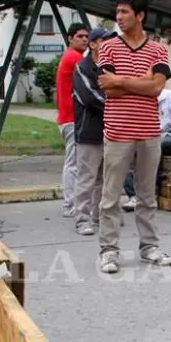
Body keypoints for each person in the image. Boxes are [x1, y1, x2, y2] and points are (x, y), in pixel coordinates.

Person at [95, 0, 171, 273]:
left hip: (149, 132)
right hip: (117, 131)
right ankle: (109, 250)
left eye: (124, 12)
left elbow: (156, 88)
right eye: (117, 12)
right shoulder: (107, 48)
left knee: (146, 194)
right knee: (111, 195)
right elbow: (108, 87)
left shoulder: (158, 50)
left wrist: (121, 80)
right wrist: (139, 80)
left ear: (140, 15)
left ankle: (149, 247)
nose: (118, 17)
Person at [71, 27, 118, 236]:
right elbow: (91, 98)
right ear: (93, 44)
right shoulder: (83, 67)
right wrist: (118, 106)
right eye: (104, 40)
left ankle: (101, 216)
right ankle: (82, 219)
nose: (109, 44)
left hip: (110, 132)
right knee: (86, 178)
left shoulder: (112, 67)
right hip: (89, 132)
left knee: (105, 178)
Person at [122, 88, 171, 211]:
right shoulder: (139, 100)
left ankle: (149, 193)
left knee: (152, 147)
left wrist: (170, 132)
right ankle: (133, 195)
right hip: (148, 135)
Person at [55, 23, 90, 217]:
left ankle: (72, 203)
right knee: (74, 163)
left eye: (87, 37)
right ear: (70, 38)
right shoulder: (75, 58)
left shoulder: (68, 57)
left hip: (67, 117)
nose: (85, 39)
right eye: (80, 36)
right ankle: (69, 205)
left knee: (75, 163)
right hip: (72, 118)